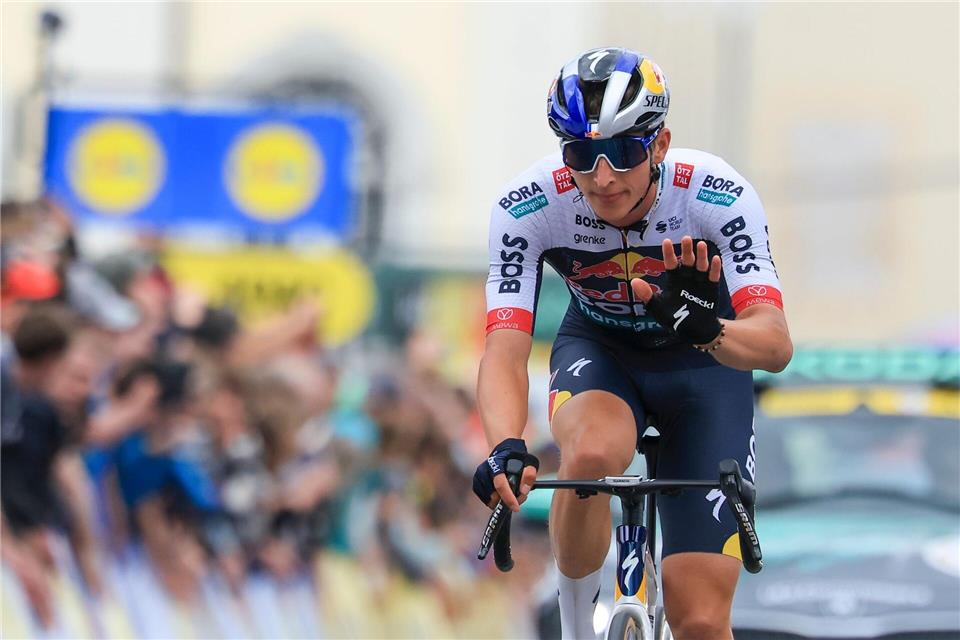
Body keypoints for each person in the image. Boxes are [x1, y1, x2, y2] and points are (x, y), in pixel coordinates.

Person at [472, 47, 793, 640]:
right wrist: (506, 444)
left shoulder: (715, 195)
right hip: (602, 350)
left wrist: (708, 328)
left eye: (623, 153)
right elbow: (505, 348)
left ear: (661, 145)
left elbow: (774, 346)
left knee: (699, 619)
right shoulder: (530, 204)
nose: (602, 177)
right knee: (592, 455)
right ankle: (574, 627)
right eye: (582, 156)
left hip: (704, 366)